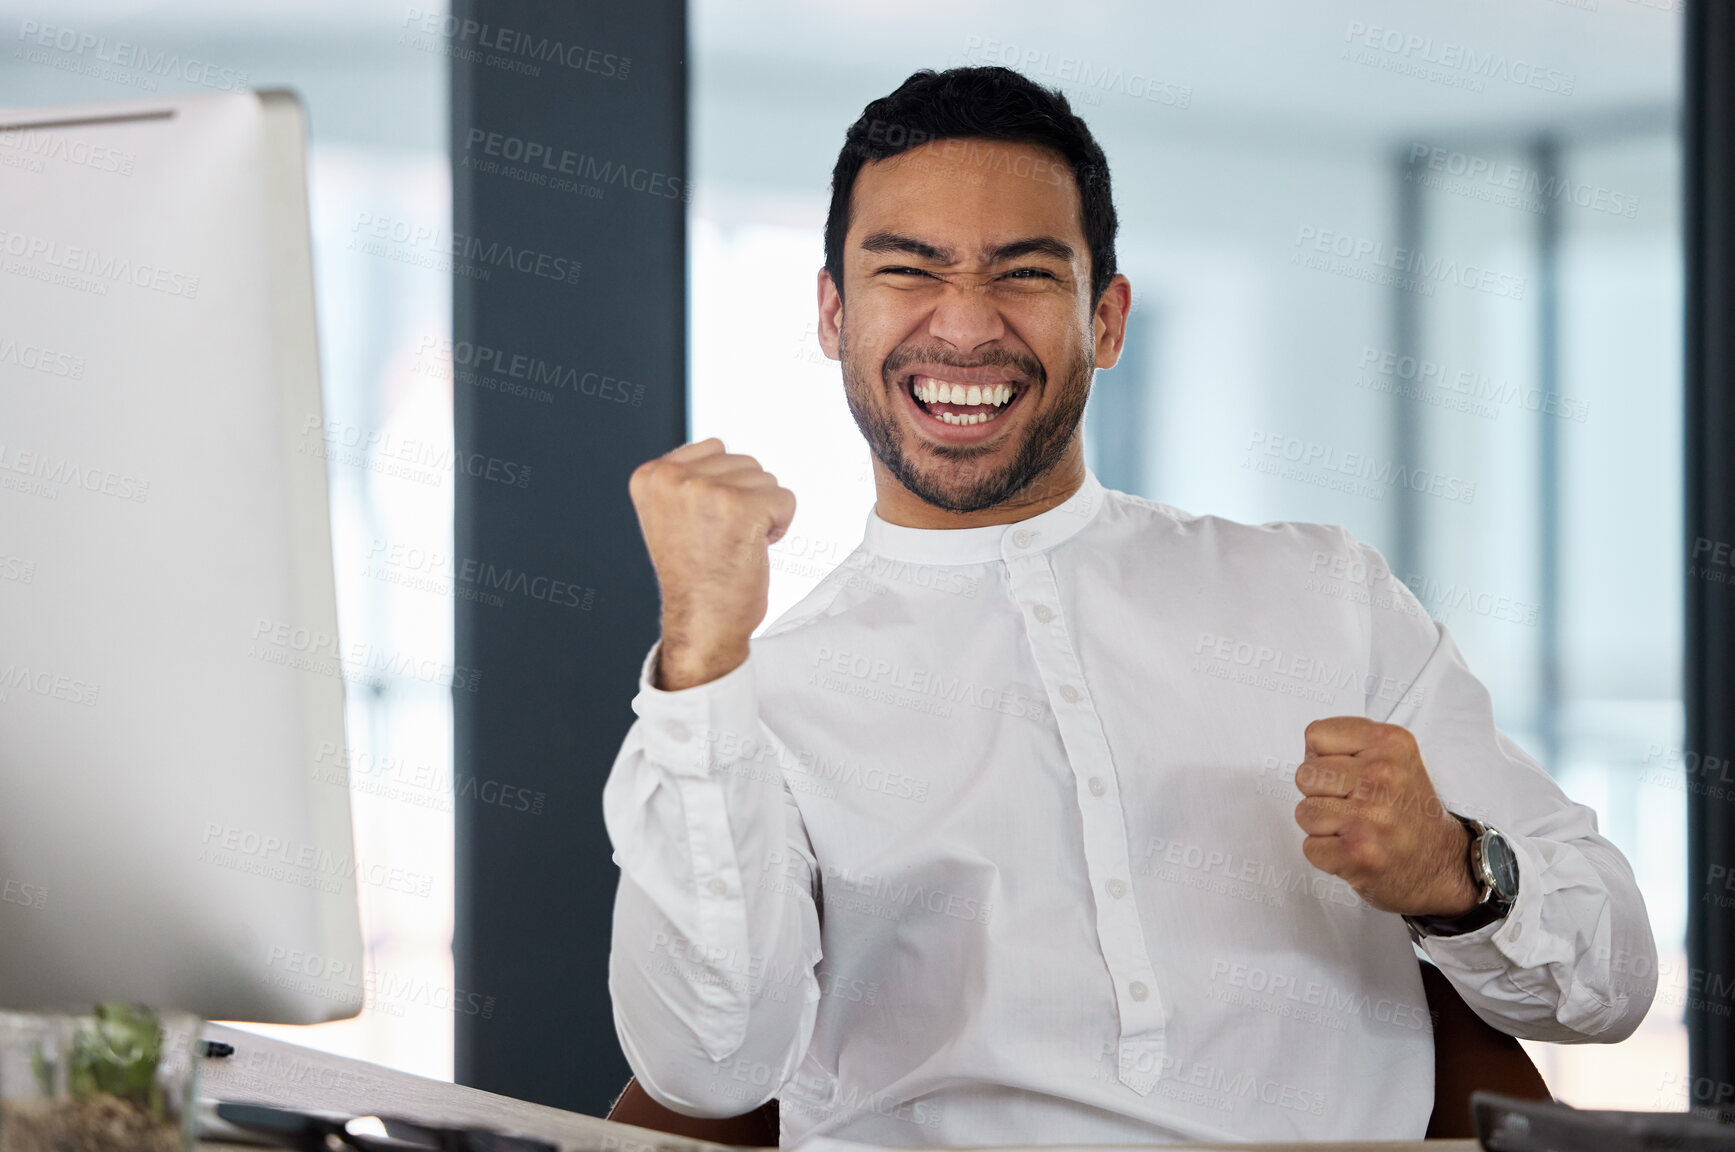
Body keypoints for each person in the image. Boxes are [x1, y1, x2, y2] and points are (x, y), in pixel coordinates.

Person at [602, 65, 1656, 1145]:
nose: (964, 327)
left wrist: (1455, 872)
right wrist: (702, 657)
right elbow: (710, 1069)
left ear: (1105, 319)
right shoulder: (751, 698)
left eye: (1023, 273)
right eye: (908, 269)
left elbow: (1613, 983)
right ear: (833, 313)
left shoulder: (1325, 595)